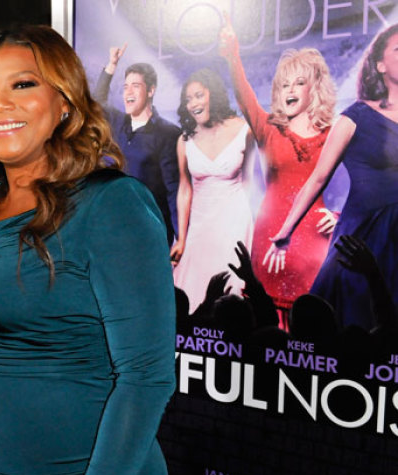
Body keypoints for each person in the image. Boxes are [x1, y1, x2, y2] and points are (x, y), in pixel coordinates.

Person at [0, 25, 176, 475]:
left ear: (64, 102)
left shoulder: (112, 205)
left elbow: (146, 379)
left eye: (23, 84)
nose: (0, 104)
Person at [268, 23, 398, 332]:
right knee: (353, 323)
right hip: (364, 234)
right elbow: (318, 178)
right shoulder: (356, 117)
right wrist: (286, 231)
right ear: (379, 64)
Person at [219, 17, 338, 321]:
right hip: (269, 236)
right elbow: (243, 94)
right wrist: (233, 54)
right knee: (262, 326)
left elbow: (371, 178)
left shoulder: (333, 133)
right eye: (284, 84)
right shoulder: (268, 128)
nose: (290, 89)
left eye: (299, 82)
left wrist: (340, 215)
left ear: (316, 88)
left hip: (313, 244)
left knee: (308, 328)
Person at [169, 68, 255, 310]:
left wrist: (247, 226)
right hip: (199, 226)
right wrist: (182, 237)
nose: (193, 103)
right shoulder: (184, 140)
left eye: (198, 95)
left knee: (230, 292)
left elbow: (249, 181)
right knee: (192, 292)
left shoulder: (244, 130)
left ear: (213, 95)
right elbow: (184, 189)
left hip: (234, 222)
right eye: (188, 99)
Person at [93, 43, 181, 243]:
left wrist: (180, 237)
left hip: (150, 230)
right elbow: (96, 104)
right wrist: (111, 65)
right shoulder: (118, 123)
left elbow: (173, 189)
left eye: (135, 86)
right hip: (115, 224)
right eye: (125, 87)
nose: (128, 92)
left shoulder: (167, 133)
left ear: (151, 91)